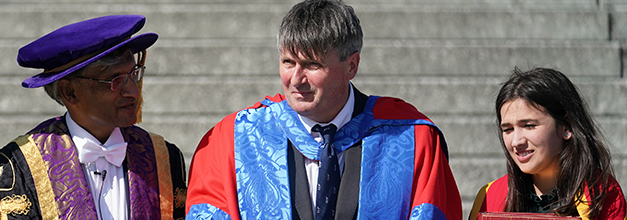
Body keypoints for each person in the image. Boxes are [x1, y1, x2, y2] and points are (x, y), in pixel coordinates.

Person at [184, 0, 462, 219]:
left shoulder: (412, 141)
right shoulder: (231, 141)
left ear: (351, 66)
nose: (295, 80)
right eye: (288, 62)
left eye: (313, 65)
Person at [0, 15, 187, 220]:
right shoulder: (20, 163)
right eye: (115, 80)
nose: (134, 92)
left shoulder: (163, 156)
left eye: (133, 74)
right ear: (70, 92)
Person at [469, 68, 626, 219]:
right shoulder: (489, 196)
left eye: (529, 125)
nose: (516, 142)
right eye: (508, 129)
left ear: (567, 127)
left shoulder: (602, 194)